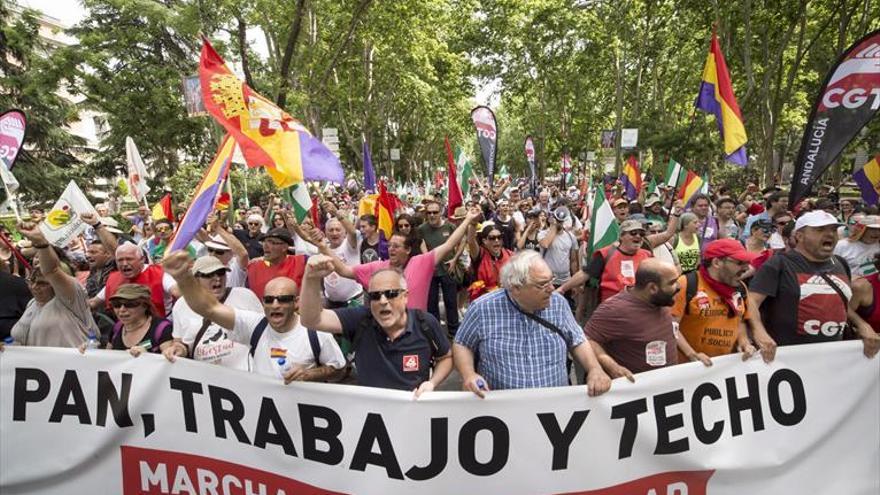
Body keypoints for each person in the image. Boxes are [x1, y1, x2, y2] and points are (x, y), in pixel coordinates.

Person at [163, 251, 346, 382]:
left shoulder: (316, 332)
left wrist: (310, 374)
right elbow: (209, 308)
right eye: (268, 300)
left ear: (296, 303)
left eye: (283, 299)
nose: (275, 305)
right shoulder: (255, 326)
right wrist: (184, 278)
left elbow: (340, 370)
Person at [453, 250, 611, 396]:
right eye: (542, 284)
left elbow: (577, 339)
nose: (551, 289)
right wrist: (469, 375)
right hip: (502, 410)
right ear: (515, 288)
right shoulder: (483, 308)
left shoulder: (558, 303)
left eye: (551, 280)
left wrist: (594, 368)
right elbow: (462, 343)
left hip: (554, 407)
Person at [299, 255, 452, 396]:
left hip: (413, 412)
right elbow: (312, 320)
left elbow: (445, 357)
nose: (383, 301)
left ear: (405, 297)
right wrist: (311, 278)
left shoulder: (425, 323)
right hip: (372, 415)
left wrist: (432, 383)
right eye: (375, 296)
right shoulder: (360, 320)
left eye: (391, 293)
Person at [748, 210, 880, 360]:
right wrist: (759, 332)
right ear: (800, 236)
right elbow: (751, 301)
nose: (829, 234)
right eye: (820, 230)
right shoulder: (779, 264)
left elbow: (840, 301)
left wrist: (861, 324)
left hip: (833, 357)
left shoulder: (841, 263)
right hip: (787, 358)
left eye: (833, 230)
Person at [326, 207, 481, 311]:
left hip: (415, 334)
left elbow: (449, 245)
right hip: (386, 335)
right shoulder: (376, 268)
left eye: (396, 246)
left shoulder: (421, 262)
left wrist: (468, 220)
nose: (391, 249)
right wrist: (321, 246)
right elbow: (343, 270)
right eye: (389, 245)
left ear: (407, 250)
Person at [584, 259, 680, 379]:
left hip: (669, 386)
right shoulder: (614, 309)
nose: (678, 287)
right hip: (639, 391)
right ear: (652, 288)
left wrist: (691, 354)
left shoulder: (662, 300)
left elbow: (671, 329)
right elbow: (587, 339)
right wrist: (611, 366)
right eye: (672, 283)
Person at [164, 256, 262, 368]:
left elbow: (264, 333)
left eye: (221, 273)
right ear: (195, 279)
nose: (217, 278)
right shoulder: (181, 305)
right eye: (209, 275)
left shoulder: (244, 296)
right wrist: (177, 349)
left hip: (246, 376)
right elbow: (180, 342)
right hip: (207, 378)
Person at [671, 239, 758, 364]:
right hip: (689, 370)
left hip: (722, 370)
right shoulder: (686, 284)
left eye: (747, 263)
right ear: (717, 262)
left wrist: (744, 342)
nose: (746, 268)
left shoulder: (740, 288)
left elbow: (739, 320)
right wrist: (691, 354)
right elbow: (671, 326)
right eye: (740, 263)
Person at [10, 221, 95, 347]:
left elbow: (52, 270)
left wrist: (41, 242)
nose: (35, 287)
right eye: (32, 281)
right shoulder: (32, 304)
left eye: (43, 283)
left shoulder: (71, 299)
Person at [558, 219, 653, 304]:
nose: (638, 236)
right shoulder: (606, 254)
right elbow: (585, 273)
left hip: (640, 307)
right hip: (612, 309)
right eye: (633, 233)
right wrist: (562, 289)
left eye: (641, 234)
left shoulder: (647, 255)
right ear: (621, 236)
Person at [90, 242, 179, 317]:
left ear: (142, 259)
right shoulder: (113, 278)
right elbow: (94, 302)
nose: (124, 264)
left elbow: (179, 293)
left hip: (160, 327)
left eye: (129, 259)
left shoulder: (159, 273)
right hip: (127, 329)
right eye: (120, 260)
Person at [419, 200, 462, 334]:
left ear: (441, 213)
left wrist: (455, 259)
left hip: (448, 270)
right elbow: (421, 245)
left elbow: (462, 241)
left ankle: (453, 332)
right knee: (431, 304)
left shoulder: (450, 227)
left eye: (435, 212)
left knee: (451, 302)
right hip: (430, 273)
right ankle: (435, 332)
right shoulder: (422, 229)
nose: (432, 215)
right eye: (429, 212)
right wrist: (428, 262)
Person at [104, 284, 174, 356]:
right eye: (116, 304)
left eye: (129, 304)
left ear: (145, 305)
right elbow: (107, 358)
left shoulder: (162, 329)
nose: (122, 310)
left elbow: (169, 362)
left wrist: (147, 356)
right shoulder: (116, 328)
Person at [246, 227, 308, 299]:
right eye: (264, 242)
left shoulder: (301, 262)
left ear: (284, 247)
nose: (265, 246)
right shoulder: (253, 267)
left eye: (272, 242)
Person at [465, 223, 512, 301]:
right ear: (484, 241)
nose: (497, 240)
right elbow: (471, 241)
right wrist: (473, 223)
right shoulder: (479, 254)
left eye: (499, 237)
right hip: (484, 300)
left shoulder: (510, 254)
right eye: (492, 238)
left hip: (505, 299)